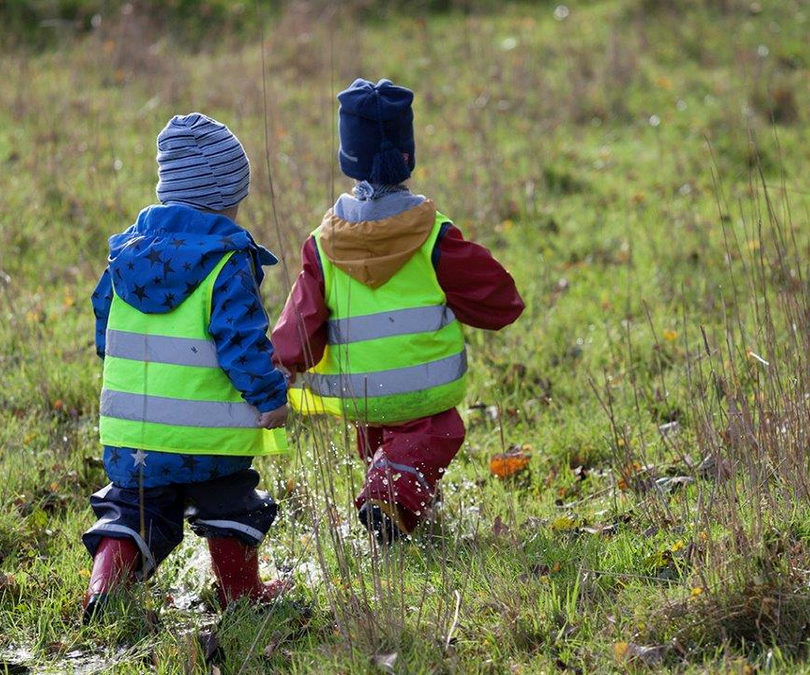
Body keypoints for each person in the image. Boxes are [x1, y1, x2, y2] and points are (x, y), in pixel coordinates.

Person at [272, 78, 524, 542]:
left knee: (383, 446)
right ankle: (386, 500)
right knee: (439, 431)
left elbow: (300, 323)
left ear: (348, 159)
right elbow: (499, 301)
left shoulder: (322, 246)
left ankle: (398, 511)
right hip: (424, 391)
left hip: (360, 394)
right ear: (408, 156)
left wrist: (280, 367)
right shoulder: (434, 236)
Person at [81, 113, 290, 622]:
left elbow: (105, 332)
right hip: (208, 438)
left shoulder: (124, 257)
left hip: (131, 432)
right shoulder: (225, 261)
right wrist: (270, 397)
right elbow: (241, 341)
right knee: (230, 504)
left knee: (135, 508)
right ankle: (242, 593)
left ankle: (105, 587)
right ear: (227, 197)